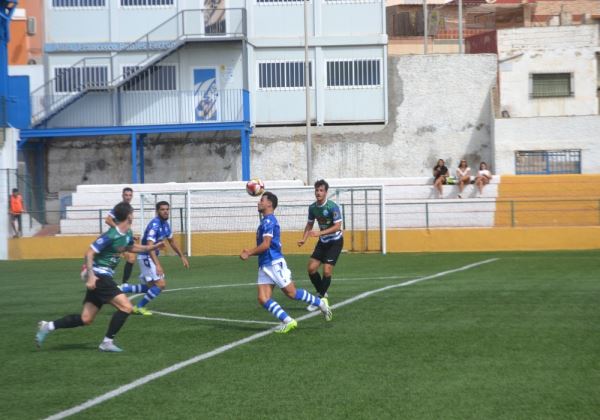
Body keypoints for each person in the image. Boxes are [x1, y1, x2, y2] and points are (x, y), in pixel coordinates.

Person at [35, 202, 165, 352]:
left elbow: (130, 247)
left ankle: (47, 326)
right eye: (132, 213)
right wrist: (91, 276)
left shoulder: (128, 233)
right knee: (126, 307)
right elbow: (89, 253)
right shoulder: (111, 235)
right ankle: (107, 342)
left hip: (102, 277)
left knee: (86, 319)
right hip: (99, 276)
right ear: (128, 215)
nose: (133, 215)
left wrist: (151, 247)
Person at [240, 191, 332, 333]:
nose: (259, 202)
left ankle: (321, 303)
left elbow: (266, 244)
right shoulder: (265, 221)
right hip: (265, 264)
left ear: (270, 204)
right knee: (263, 298)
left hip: (274, 262)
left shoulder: (270, 221)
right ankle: (288, 321)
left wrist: (249, 252)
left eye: (262, 200)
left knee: (291, 293)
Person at [120, 201, 189, 316]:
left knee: (151, 287)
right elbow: (150, 246)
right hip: (146, 256)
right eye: (162, 209)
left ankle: (126, 288)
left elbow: (172, 241)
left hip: (149, 257)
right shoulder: (155, 225)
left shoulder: (165, 225)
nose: (166, 211)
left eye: (167, 209)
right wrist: (157, 265)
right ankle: (138, 307)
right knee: (161, 285)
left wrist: (182, 256)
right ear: (157, 211)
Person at [297, 179, 343, 312]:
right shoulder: (312, 208)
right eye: (316, 190)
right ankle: (323, 292)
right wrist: (304, 239)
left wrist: (320, 233)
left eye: (321, 190)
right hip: (322, 242)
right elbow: (309, 224)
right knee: (311, 269)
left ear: (326, 192)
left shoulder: (332, 207)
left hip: (335, 242)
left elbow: (337, 226)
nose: (318, 192)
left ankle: (320, 297)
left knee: (327, 270)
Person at [105, 187, 137, 284]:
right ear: (122, 196)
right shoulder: (119, 208)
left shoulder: (130, 209)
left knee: (131, 259)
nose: (128, 197)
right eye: (126, 195)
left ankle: (124, 283)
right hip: (116, 239)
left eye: (130, 195)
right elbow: (108, 220)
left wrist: (130, 235)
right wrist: (119, 231)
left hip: (124, 239)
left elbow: (126, 225)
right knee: (111, 261)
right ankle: (103, 279)